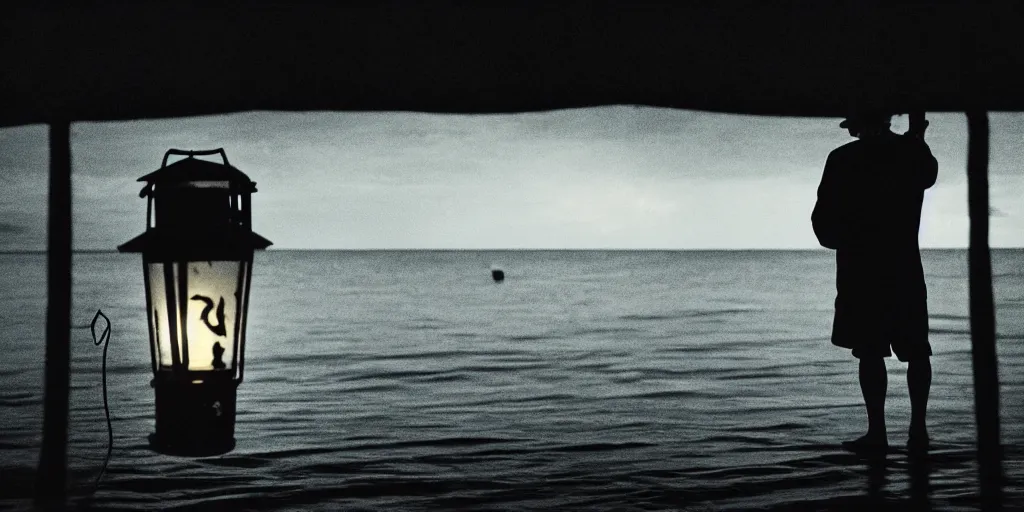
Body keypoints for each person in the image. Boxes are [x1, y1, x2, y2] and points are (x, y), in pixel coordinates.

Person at [812, 110, 938, 454]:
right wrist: (917, 137)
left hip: (861, 271)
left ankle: (878, 433)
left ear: (856, 123)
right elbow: (927, 176)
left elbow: (823, 223)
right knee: (916, 350)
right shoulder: (909, 152)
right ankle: (918, 431)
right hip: (904, 266)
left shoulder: (842, 158)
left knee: (870, 352)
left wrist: (852, 237)